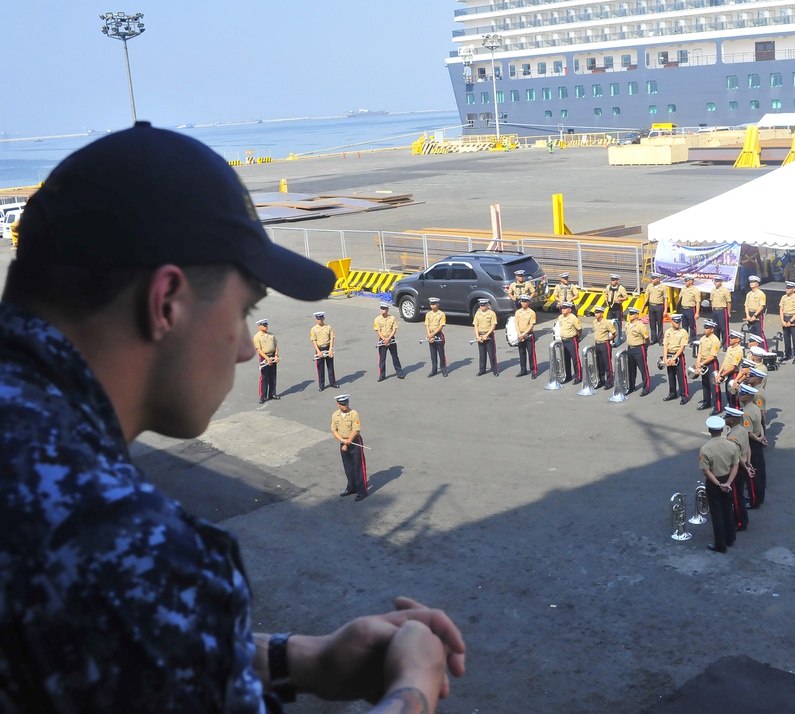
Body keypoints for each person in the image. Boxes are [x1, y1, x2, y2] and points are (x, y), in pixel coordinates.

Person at [0, 123, 465, 713]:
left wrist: (299, 661)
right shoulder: (120, 541)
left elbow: (99, 653)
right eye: (244, 310)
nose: (247, 346)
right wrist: (413, 691)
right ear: (166, 303)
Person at [698, 415, 739, 553]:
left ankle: (720, 544)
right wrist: (728, 483)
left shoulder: (705, 449)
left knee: (717, 513)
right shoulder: (731, 445)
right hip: (728, 479)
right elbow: (735, 465)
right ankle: (730, 537)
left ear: (710, 430)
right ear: (722, 430)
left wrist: (718, 484)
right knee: (728, 509)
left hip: (714, 483)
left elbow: (706, 471)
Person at [331, 394, 368, 501]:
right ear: (338, 405)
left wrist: (348, 442)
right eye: (342, 404)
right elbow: (334, 430)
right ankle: (351, 487)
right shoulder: (335, 415)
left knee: (358, 467)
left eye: (346, 403)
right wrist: (342, 441)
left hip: (354, 441)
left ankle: (362, 491)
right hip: (343, 442)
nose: (345, 405)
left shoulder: (353, 414)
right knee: (348, 467)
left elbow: (356, 430)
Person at [723, 406, 753, 532]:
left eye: (727, 416)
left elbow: (737, 457)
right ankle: (743, 518)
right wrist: (749, 463)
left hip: (738, 468)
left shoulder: (732, 437)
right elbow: (747, 448)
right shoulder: (741, 429)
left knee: (736, 497)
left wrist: (745, 467)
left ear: (731, 420)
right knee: (739, 495)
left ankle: (740, 522)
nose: (724, 418)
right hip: (744, 465)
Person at [738, 385, 767, 507]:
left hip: (751, 444)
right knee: (760, 472)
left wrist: (759, 439)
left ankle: (753, 500)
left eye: (742, 394)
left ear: (748, 396)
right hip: (757, 441)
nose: (739, 395)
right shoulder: (755, 407)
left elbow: (748, 433)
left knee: (751, 473)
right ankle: (759, 496)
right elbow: (760, 424)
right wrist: (762, 437)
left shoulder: (746, 413)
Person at [661, 312, 690, 404]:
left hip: (678, 356)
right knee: (670, 375)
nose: (678, 323)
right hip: (669, 354)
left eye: (679, 322)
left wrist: (674, 358)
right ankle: (672, 393)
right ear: (671, 321)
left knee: (681, 376)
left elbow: (682, 347)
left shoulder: (683, 332)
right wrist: (665, 358)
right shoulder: (668, 332)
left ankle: (684, 395)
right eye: (676, 322)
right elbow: (665, 345)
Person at [695, 319, 723, 414]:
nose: (705, 329)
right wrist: (698, 363)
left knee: (714, 385)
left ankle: (717, 407)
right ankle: (706, 402)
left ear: (712, 329)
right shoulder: (703, 339)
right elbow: (700, 352)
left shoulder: (715, 340)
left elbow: (713, 356)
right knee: (705, 383)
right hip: (703, 362)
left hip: (712, 363)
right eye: (704, 327)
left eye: (707, 328)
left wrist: (702, 364)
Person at [623, 306, 651, 396]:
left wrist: (645, 347)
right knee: (631, 369)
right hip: (630, 348)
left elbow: (647, 338)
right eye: (629, 314)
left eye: (632, 314)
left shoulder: (640, 326)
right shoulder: (627, 324)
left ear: (636, 315)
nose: (630, 315)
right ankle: (631, 386)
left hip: (639, 348)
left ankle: (646, 388)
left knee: (643, 369)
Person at [374, 301, 405, 381]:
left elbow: (394, 329)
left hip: (391, 339)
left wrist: (389, 338)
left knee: (395, 356)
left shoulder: (392, 318)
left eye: (384, 309)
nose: (382, 310)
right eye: (381, 308)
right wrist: (384, 339)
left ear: (387, 310)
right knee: (382, 359)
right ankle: (382, 375)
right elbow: (378, 331)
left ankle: (399, 373)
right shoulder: (377, 319)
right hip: (382, 340)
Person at [254, 318, 281, 403]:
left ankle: (272, 394)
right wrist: (267, 359)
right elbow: (259, 350)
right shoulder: (257, 337)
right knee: (264, 377)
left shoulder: (271, 335)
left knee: (273, 376)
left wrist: (276, 355)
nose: (266, 327)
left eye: (266, 325)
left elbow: (276, 345)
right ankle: (262, 396)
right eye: (264, 325)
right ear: (259, 326)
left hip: (273, 356)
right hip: (265, 358)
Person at [556, 301, 583, 384]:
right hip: (563, 340)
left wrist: (577, 338)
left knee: (575, 358)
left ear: (569, 309)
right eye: (562, 308)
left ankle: (578, 376)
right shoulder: (560, 317)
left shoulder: (573, 318)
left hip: (572, 340)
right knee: (566, 359)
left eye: (564, 308)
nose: (563, 310)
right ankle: (568, 376)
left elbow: (579, 329)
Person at [592, 304, 618, 389]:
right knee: (599, 364)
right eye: (595, 312)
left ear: (602, 314)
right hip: (597, 344)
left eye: (598, 312)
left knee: (607, 364)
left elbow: (615, 333)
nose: (596, 314)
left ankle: (609, 382)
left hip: (604, 344)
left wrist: (609, 339)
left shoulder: (606, 322)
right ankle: (601, 380)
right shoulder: (594, 322)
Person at [310, 311, 338, 390]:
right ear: (316, 320)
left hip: (328, 347)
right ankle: (321, 385)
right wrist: (318, 351)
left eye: (321, 319)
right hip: (320, 348)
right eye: (318, 319)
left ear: (324, 318)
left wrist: (331, 349)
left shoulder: (329, 327)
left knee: (330, 366)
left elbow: (332, 338)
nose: (320, 320)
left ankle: (333, 382)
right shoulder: (313, 329)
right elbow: (314, 341)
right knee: (320, 368)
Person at [514, 294, 539, 378]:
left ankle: (534, 370)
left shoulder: (531, 313)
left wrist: (524, 334)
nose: (523, 303)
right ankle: (523, 370)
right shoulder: (518, 312)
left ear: (528, 302)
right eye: (522, 301)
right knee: (522, 353)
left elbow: (531, 325)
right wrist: (519, 334)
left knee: (531, 354)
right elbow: (516, 324)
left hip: (528, 335)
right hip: (520, 335)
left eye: (525, 302)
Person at [472, 298, 499, 376]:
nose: (482, 307)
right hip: (480, 335)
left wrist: (486, 335)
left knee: (491, 354)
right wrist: (477, 336)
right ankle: (482, 370)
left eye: (484, 305)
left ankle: (495, 370)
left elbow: (493, 325)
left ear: (487, 305)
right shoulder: (478, 314)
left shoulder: (491, 313)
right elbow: (476, 325)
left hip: (489, 335)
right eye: (481, 305)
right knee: (482, 354)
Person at [778, 281, 795, 361]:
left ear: (793, 289)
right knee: (786, 338)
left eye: (789, 288)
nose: (787, 289)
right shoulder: (783, 297)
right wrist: (782, 320)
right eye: (786, 288)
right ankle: (787, 354)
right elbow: (781, 309)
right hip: (785, 317)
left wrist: (791, 321)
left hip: (793, 319)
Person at [717, 331, 744, 405]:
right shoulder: (730, 348)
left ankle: (735, 413)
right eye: (730, 337)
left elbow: (733, 367)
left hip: (733, 374)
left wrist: (722, 375)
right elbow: (725, 361)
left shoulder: (738, 351)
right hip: (726, 373)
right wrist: (719, 373)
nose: (730, 339)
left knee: (733, 396)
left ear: (738, 340)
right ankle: (731, 413)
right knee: (728, 395)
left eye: (732, 338)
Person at [425, 297, 448, 377]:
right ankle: (433, 370)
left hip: (438, 335)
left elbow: (441, 326)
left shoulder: (441, 314)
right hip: (430, 335)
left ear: (438, 304)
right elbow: (427, 325)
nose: (432, 306)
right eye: (431, 304)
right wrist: (429, 335)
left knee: (441, 354)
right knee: (433, 354)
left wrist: (433, 334)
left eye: (434, 304)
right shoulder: (428, 314)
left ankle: (443, 369)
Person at [743, 275, 768, 350]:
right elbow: (746, 305)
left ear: (757, 284)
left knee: (759, 332)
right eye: (750, 282)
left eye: (753, 282)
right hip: (750, 314)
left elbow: (762, 306)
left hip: (757, 314)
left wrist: (755, 315)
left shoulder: (761, 294)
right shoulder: (749, 294)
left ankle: (764, 348)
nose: (751, 283)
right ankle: (754, 348)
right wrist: (747, 315)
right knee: (751, 332)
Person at [644, 272, 668, 345]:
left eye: (654, 279)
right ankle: (653, 339)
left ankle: (660, 339)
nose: (652, 280)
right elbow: (647, 296)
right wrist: (644, 307)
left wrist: (665, 310)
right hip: (651, 306)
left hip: (659, 306)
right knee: (652, 323)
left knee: (660, 323)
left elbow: (665, 299)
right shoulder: (650, 286)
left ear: (658, 279)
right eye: (652, 278)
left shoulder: (663, 287)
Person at [678, 276, 701, 341]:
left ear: (691, 281)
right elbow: (680, 298)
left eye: (687, 281)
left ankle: (692, 339)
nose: (685, 282)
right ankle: (685, 339)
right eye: (685, 280)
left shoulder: (695, 290)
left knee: (692, 326)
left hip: (691, 309)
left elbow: (697, 302)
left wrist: (697, 313)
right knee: (684, 325)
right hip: (683, 309)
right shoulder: (683, 288)